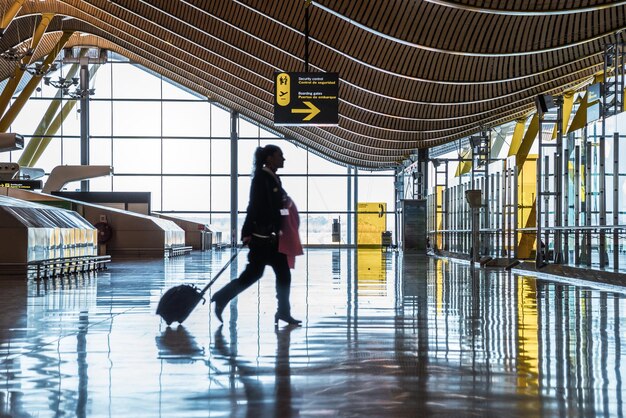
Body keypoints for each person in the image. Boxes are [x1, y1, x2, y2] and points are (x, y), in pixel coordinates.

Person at [211, 145, 302, 326]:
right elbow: (253, 205)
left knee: (282, 275)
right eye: (280, 155)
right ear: (269, 158)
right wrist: (246, 232)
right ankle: (222, 297)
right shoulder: (262, 178)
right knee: (253, 275)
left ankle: (283, 312)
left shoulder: (272, 178)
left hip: (272, 239)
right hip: (263, 239)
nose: (283, 159)